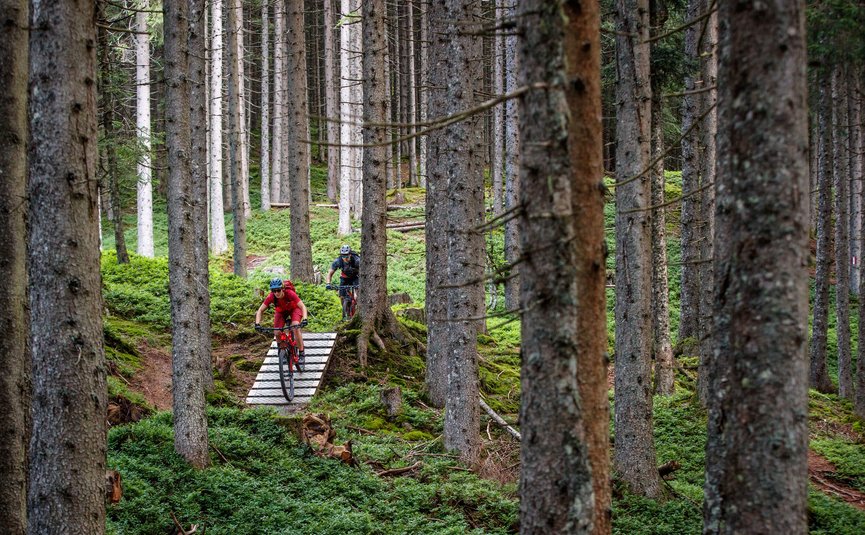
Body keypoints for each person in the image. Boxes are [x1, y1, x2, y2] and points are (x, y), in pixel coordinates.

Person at [255, 278, 308, 361]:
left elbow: (302, 306)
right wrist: (257, 323)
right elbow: (260, 310)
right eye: (273, 291)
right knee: (277, 332)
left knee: (295, 327)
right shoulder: (271, 296)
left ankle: (301, 353)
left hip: (294, 309)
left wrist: (305, 319)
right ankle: (282, 351)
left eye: (278, 290)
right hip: (281, 311)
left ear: (282, 289)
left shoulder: (290, 293)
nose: (276, 293)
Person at [326, 244, 360, 319]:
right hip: (345, 278)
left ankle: (358, 309)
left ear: (350, 254)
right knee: (342, 296)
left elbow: (364, 272)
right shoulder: (338, 261)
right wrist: (328, 283)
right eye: (343, 256)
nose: (345, 258)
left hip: (356, 277)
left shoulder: (357, 260)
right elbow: (330, 273)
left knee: (356, 295)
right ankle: (346, 311)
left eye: (346, 256)